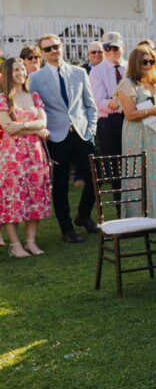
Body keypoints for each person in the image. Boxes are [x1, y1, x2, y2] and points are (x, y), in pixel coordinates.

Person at [28, 34, 98, 243]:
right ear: (42, 53)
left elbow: (90, 105)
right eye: (48, 49)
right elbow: (33, 109)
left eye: (56, 47)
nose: (53, 51)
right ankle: (67, 229)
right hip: (56, 138)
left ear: (62, 46)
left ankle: (83, 216)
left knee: (95, 178)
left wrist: (91, 130)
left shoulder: (79, 72)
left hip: (82, 134)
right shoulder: (36, 78)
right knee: (60, 186)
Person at [116, 45, 156, 218]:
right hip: (139, 135)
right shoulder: (128, 84)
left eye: (152, 61)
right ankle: (140, 213)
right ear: (136, 62)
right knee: (142, 171)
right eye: (144, 61)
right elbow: (129, 114)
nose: (148, 65)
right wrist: (152, 111)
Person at [0, 57, 51, 257]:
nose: (20, 73)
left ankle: (30, 242)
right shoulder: (3, 99)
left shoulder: (34, 96)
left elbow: (43, 122)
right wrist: (34, 128)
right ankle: (14, 245)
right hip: (12, 156)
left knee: (35, 196)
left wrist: (23, 126)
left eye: (22, 69)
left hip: (35, 155)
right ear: (7, 74)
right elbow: (6, 127)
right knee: (13, 198)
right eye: (15, 70)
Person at [89, 32, 128, 159]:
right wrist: (126, 104)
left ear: (123, 47)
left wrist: (118, 102)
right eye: (107, 48)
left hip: (131, 119)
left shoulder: (131, 67)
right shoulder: (96, 71)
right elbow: (100, 103)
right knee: (113, 165)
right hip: (108, 122)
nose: (111, 51)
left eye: (115, 47)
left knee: (132, 159)